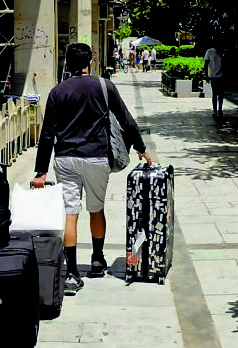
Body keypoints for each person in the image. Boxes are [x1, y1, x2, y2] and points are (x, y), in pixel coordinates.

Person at [31, 43, 152, 296]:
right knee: (96, 209)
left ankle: (72, 274)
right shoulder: (105, 86)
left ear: (68, 63)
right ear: (90, 62)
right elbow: (126, 120)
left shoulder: (57, 92)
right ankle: (97, 260)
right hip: (97, 157)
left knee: (70, 214)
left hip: (66, 158)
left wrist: (41, 171)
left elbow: (47, 134)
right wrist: (141, 148)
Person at [204, 46, 224, 118]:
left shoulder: (220, 51)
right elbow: (206, 64)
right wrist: (206, 75)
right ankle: (216, 110)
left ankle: (219, 110)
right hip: (214, 75)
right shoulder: (210, 51)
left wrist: (206, 75)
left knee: (219, 94)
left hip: (219, 75)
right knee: (216, 93)